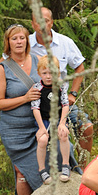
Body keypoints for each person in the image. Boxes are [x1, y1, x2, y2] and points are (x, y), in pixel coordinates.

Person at [29, 7, 93, 164]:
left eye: (45, 21)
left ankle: (84, 169)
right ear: (32, 24)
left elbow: (80, 67)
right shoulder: (26, 43)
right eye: (38, 21)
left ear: (51, 22)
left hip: (61, 101)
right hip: (37, 101)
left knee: (86, 126)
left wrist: (73, 94)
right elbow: (8, 61)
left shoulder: (65, 43)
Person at [0, 24, 43, 195]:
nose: (19, 42)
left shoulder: (38, 60)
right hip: (15, 131)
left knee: (44, 165)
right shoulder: (3, 67)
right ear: (8, 43)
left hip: (39, 124)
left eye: (22, 38)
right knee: (21, 170)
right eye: (14, 38)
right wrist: (25, 98)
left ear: (27, 40)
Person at [31, 56, 71, 185]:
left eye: (52, 73)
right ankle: (42, 169)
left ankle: (66, 165)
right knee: (42, 140)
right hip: (44, 120)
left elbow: (65, 105)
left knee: (63, 134)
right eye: (45, 73)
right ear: (39, 73)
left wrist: (62, 123)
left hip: (59, 119)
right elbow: (35, 108)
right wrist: (42, 127)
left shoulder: (61, 86)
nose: (48, 76)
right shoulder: (37, 87)